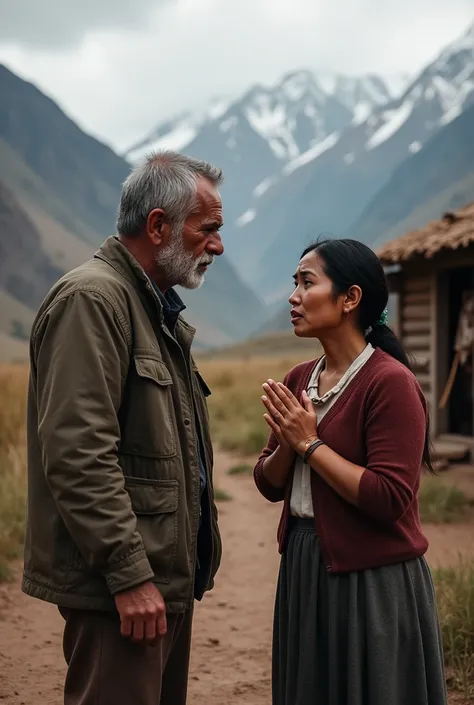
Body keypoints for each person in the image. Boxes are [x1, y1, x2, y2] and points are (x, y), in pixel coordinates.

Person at [23, 151, 224, 705]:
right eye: (208, 229)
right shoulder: (94, 300)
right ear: (158, 226)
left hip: (156, 583)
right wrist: (129, 573)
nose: (218, 246)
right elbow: (78, 452)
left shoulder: (151, 308)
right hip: (124, 589)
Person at [254, 238, 448, 705]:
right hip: (304, 565)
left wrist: (309, 443)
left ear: (350, 298)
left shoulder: (390, 382)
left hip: (371, 580)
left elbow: (388, 497)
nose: (293, 296)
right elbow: (267, 482)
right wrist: (288, 444)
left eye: (306, 282)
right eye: (293, 283)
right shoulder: (300, 378)